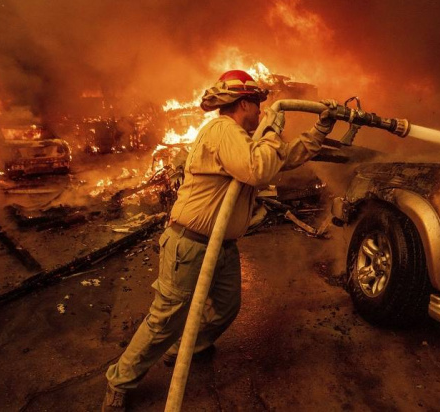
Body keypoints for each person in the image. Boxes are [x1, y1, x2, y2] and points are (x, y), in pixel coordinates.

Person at [102, 70, 337, 410]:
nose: (261, 112)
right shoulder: (223, 129)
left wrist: (320, 131)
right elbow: (259, 170)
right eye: (258, 106)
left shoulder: (243, 139)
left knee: (227, 307)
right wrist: (273, 125)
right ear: (244, 103)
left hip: (220, 246)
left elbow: (280, 158)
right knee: (166, 320)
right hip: (191, 244)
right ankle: (119, 380)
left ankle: (189, 347)